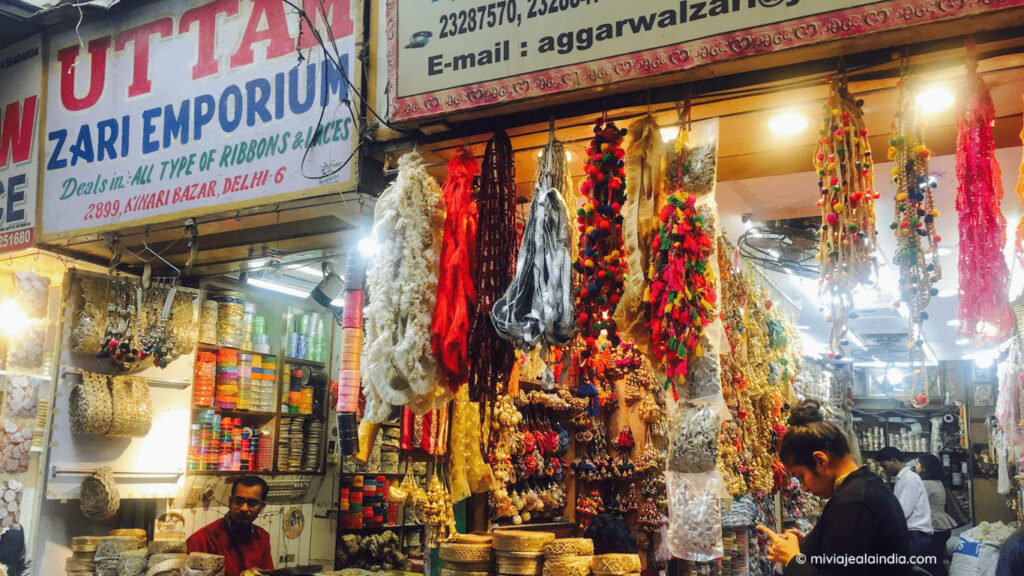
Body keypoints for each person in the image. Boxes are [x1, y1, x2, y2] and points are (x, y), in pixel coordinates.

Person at [758, 400, 912, 575]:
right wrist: (810, 545)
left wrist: (793, 558)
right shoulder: (869, 487)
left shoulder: (853, 503)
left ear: (820, 460)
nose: (805, 488)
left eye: (801, 477)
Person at [187, 476, 274, 576]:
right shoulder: (204, 539)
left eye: (252, 503)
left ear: (262, 507)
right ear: (230, 502)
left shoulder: (262, 537)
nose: (244, 508)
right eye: (239, 501)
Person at [878, 447, 934, 561]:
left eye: (885, 466)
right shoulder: (903, 478)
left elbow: (902, 511)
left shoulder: (909, 479)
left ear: (894, 460)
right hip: (913, 534)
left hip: (916, 535)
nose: (885, 470)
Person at [916, 454, 957, 576]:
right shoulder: (938, 482)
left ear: (925, 467)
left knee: (930, 564)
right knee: (937, 561)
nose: (916, 466)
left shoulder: (924, 484)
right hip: (943, 525)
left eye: (918, 463)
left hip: (933, 526)